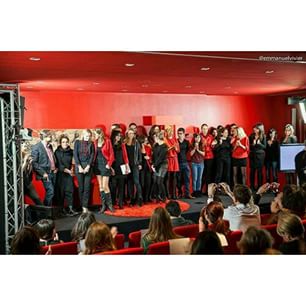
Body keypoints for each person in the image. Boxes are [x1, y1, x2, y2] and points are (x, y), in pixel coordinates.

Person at [31, 130, 57, 206]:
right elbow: (34, 163)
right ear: (44, 136)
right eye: (49, 135)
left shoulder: (50, 146)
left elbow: (51, 158)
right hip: (45, 174)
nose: (51, 137)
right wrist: (43, 173)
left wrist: (55, 167)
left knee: (52, 193)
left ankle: (48, 212)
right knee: (50, 192)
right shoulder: (36, 147)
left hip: (53, 172)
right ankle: (46, 212)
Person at [54, 134, 77, 216]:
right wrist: (67, 170)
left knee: (70, 191)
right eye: (63, 142)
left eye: (67, 142)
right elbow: (58, 164)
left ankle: (70, 209)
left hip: (69, 174)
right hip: (61, 174)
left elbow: (74, 162)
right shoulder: (57, 152)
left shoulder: (71, 151)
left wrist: (72, 168)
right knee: (60, 193)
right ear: (60, 143)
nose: (65, 143)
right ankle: (61, 210)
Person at [94, 128, 115, 213]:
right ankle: (103, 205)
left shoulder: (107, 141)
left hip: (105, 165)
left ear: (99, 134)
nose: (94, 136)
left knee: (105, 186)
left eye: (95, 134)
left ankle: (110, 205)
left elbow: (112, 154)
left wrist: (109, 165)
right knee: (101, 186)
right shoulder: (94, 142)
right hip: (97, 165)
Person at [74, 129, 95, 213]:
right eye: (86, 136)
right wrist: (79, 166)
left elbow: (92, 155)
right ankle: (82, 205)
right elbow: (75, 154)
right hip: (79, 166)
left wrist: (88, 166)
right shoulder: (77, 142)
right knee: (81, 187)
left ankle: (85, 207)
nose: (88, 137)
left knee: (87, 188)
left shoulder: (91, 143)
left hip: (88, 167)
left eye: (89, 136)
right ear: (83, 135)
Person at [110, 130, 129, 209]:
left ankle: (120, 203)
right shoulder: (110, 144)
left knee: (121, 186)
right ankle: (113, 202)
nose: (118, 137)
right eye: (117, 136)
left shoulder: (122, 145)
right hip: (113, 167)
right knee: (113, 186)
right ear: (113, 136)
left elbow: (125, 156)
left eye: (120, 136)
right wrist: (111, 168)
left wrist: (127, 166)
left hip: (122, 167)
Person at [125, 128, 143, 206]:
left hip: (135, 165)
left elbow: (139, 154)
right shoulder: (124, 143)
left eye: (132, 133)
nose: (131, 135)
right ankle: (132, 199)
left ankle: (139, 198)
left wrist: (140, 163)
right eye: (129, 133)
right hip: (127, 165)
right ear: (127, 134)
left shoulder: (136, 143)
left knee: (136, 182)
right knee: (129, 183)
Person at [151, 132, 168, 202]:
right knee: (155, 180)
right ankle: (157, 196)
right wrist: (153, 164)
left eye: (155, 137)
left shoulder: (164, 146)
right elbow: (154, 156)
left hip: (163, 165)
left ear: (158, 137)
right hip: (156, 164)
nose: (154, 139)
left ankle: (164, 197)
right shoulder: (155, 145)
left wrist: (154, 166)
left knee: (159, 181)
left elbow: (161, 158)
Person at [176, 127, 193, 199]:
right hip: (178, 163)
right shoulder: (176, 142)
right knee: (178, 179)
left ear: (183, 134)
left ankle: (187, 194)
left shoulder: (187, 142)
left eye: (181, 134)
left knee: (187, 179)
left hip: (185, 162)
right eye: (178, 134)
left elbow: (188, 151)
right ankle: (180, 193)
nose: (179, 135)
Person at [249, 123, 267, 191]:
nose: (254, 130)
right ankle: (252, 186)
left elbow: (265, 147)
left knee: (259, 171)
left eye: (256, 128)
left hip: (260, 155)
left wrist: (259, 144)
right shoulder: (251, 136)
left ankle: (260, 186)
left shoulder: (263, 136)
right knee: (252, 171)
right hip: (253, 155)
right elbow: (249, 146)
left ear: (259, 129)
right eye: (254, 128)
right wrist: (253, 144)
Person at [165, 125, 180, 199]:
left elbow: (178, 150)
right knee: (168, 177)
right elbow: (165, 150)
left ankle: (174, 194)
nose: (170, 132)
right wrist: (172, 147)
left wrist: (175, 148)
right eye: (168, 131)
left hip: (174, 159)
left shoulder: (175, 139)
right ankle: (168, 194)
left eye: (171, 131)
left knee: (174, 176)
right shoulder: (165, 139)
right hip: (168, 159)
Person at [200, 124, 214, 193]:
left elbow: (213, 147)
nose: (205, 130)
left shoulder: (211, 137)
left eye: (206, 129)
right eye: (203, 129)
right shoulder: (199, 136)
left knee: (209, 174)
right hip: (202, 157)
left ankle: (208, 191)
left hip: (210, 157)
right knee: (202, 174)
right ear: (201, 129)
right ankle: (200, 190)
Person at [138, 134, 152, 203]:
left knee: (148, 183)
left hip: (148, 167)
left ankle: (146, 198)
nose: (146, 141)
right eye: (145, 140)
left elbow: (152, 157)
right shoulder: (137, 148)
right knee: (142, 183)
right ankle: (141, 198)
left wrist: (149, 158)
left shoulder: (148, 147)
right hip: (141, 168)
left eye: (146, 140)